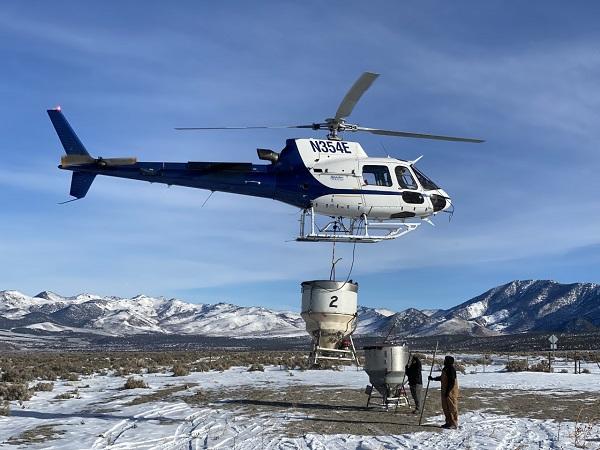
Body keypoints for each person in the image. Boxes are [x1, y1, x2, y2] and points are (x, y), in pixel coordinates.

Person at [428, 355, 459, 429]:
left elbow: (452, 382)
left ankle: (454, 423)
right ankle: (448, 422)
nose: (444, 361)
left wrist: (448, 392)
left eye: (445, 360)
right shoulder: (445, 368)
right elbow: (442, 378)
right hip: (445, 390)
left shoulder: (451, 369)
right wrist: (433, 379)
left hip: (451, 391)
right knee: (446, 407)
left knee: (452, 407)